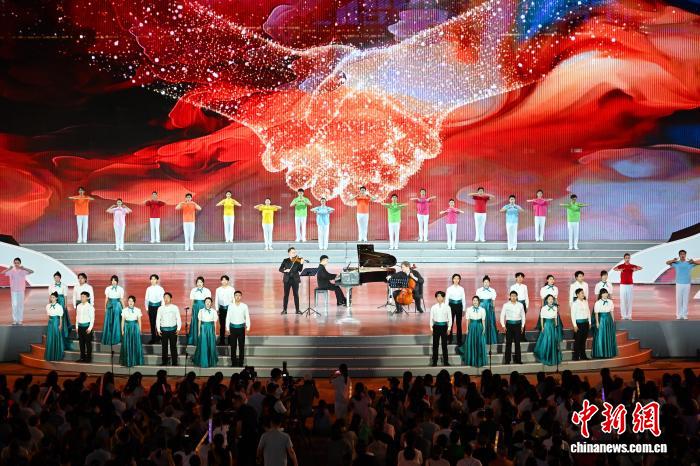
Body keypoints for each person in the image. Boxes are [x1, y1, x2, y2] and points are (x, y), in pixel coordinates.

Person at [666, 250, 698, 320]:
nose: (682, 255)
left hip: (687, 283)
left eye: (684, 254)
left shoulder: (689, 263)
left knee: (685, 299)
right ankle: (678, 315)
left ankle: (684, 314)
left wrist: (693, 262)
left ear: (685, 255)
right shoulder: (676, 263)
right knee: (679, 299)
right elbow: (667, 262)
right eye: (681, 254)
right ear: (679, 255)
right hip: (679, 284)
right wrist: (673, 260)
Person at [458, 296, 487, 367]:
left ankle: (479, 360)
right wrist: (467, 329)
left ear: (478, 301)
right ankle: (472, 360)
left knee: (479, 343)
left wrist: (484, 328)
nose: (475, 302)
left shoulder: (482, 310)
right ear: (472, 301)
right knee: (471, 342)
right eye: (474, 300)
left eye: (476, 300)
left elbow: (483, 320)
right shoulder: (469, 309)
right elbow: (467, 320)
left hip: (479, 326)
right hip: (472, 327)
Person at [533, 295, 562, 366]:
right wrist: (542, 327)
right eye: (549, 299)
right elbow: (542, 318)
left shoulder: (555, 307)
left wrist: (556, 325)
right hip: (547, 325)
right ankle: (545, 356)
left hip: (553, 325)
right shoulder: (544, 308)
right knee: (548, 340)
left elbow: (555, 317)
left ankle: (553, 357)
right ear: (546, 300)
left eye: (552, 299)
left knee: (553, 340)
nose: (551, 300)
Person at [613, 253, 643, 320]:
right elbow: (614, 268)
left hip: (630, 285)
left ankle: (629, 315)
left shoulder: (632, 266)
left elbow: (640, 268)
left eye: (628, 258)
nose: (627, 259)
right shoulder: (621, 265)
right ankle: (623, 316)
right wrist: (619, 270)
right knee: (623, 300)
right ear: (624, 258)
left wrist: (636, 269)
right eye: (626, 258)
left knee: (629, 300)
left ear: (630, 258)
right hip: (622, 285)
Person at [4, 258, 33, 325]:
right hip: (13, 290)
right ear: (14, 263)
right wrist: (8, 269)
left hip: (21, 290)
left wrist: (24, 268)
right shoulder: (11, 271)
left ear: (20, 263)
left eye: (18, 263)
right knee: (14, 305)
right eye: (15, 263)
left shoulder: (23, 271)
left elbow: (32, 271)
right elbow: (2, 273)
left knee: (20, 305)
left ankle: (20, 320)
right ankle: (15, 320)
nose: (16, 264)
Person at [499, 291, 525, 364]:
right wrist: (503, 325)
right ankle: (507, 360)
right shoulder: (506, 305)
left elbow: (523, 315)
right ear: (510, 297)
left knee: (517, 343)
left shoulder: (520, 305)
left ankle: (518, 360)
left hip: (518, 325)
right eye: (512, 296)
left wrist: (522, 326)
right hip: (509, 325)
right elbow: (502, 315)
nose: (513, 297)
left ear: (517, 297)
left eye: (514, 296)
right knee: (508, 343)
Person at [156, 292, 181, 366]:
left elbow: (178, 318)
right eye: (165, 297)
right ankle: (164, 362)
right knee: (164, 347)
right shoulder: (160, 308)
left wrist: (178, 328)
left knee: (173, 347)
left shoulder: (175, 307)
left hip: (173, 330)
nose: (166, 299)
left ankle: (174, 362)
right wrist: (158, 329)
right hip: (163, 330)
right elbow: (158, 319)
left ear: (171, 298)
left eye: (167, 297)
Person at [225, 291, 250, 367]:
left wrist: (248, 327)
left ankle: (241, 362)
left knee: (241, 346)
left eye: (239, 295)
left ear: (241, 297)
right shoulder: (230, 306)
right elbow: (228, 317)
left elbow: (247, 316)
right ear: (234, 296)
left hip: (241, 328)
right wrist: (227, 328)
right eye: (236, 295)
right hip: (232, 328)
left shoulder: (244, 306)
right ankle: (234, 362)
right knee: (233, 346)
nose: (238, 297)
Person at [193, 297, 219, 368]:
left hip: (210, 328)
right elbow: (199, 322)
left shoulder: (214, 311)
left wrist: (215, 332)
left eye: (209, 302)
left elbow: (215, 323)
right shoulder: (201, 311)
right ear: (204, 303)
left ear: (211, 303)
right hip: (203, 328)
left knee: (211, 344)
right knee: (203, 344)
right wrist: (199, 331)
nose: (208, 303)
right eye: (206, 302)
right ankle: (203, 362)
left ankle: (211, 361)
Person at [592, 289, 618, 358]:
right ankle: (601, 353)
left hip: (608, 319)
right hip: (601, 319)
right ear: (601, 294)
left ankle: (609, 353)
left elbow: (611, 312)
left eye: (606, 293)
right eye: (603, 293)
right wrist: (597, 322)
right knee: (601, 335)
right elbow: (596, 313)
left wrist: (612, 320)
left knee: (609, 335)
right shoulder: (597, 303)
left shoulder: (610, 301)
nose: (605, 295)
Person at [120, 295, 144, 367]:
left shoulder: (138, 310)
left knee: (135, 343)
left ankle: (135, 360)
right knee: (126, 344)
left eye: (132, 301)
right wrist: (122, 330)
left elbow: (139, 321)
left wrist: (139, 330)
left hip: (135, 328)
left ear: (134, 302)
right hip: (127, 328)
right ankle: (127, 361)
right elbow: (122, 321)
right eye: (129, 301)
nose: (130, 302)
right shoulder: (124, 310)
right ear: (127, 302)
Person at [48, 271, 71, 345]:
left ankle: (63, 330)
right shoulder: (51, 286)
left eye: (57, 277)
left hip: (61, 300)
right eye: (55, 277)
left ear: (60, 278)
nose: (56, 279)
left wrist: (65, 305)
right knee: (55, 315)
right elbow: (50, 296)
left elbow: (65, 296)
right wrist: (50, 303)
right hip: (54, 300)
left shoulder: (64, 285)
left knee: (61, 316)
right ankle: (55, 329)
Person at [429, 291, 451, 367]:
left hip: (444, 327)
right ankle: (434, 361)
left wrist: (449, 328)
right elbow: (431, 318)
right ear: (436, 298)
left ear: (443, 298)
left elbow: (450, 318)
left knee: (444, 345)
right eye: (438, 296)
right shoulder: (433, 307)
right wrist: (431, 328)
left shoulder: (447, 307)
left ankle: (446, 361)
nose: (439, 298)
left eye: (441, 296)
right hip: (436, 327)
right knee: (435, 345)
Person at [279, 247, 304, 315]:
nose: (294, 254)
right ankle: (284, 310)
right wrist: (285, 270)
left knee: (296, 295)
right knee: (286, 295)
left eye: (295, 252)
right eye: (293, 252)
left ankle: (297, 310)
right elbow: (280, 269)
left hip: (295, 279)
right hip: (287, 280)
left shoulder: (297, 260)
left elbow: (300, 270)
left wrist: (301, 263)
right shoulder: (285, 260)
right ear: (289, 253)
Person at [188, 276, 211, 346]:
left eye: (201, 282)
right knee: (195, 322)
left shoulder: (207, 290)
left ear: (203, 283)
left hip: (204, 307)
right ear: (196, 283)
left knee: (203, 322)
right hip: (195, 308)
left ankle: (204, 340)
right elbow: (192, 301)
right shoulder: (193, 290)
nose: (199, 283)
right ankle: (195, 340)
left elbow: (208, 301)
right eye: (198, 282)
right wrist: (191, 310)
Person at [102, 275, 124, 346]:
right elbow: (106, 299)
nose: (113, 282)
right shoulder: (108, 288)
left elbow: (121, 299)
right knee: (109, 322)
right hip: (110, 305)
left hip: (117, 306)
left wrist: (124, 308)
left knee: (117, 322)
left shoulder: (120, 289)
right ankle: (109, 338)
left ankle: (117, 338)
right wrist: (105, 307)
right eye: (112, 280)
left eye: (115, 280)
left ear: (117, 281)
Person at [476, 276, 498, 345]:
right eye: (485, 282)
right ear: (483, 283)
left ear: (489, 283)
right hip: (481, 307)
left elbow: (493, 301)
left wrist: (493, 310)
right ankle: (481, 340)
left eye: (487, 282)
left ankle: (490, 340)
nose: (486, 283)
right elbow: (477, 301)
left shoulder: (492, 290)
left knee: (490, 323)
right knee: (481, 322)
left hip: (489, 308)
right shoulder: (479, 290)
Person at [570, 288, 591, 361]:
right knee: (578, 341)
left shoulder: (585, 302)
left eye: (583, 293)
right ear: (577, 295)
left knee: (583, 341)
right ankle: (576, 357)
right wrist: (574, 325)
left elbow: (588, 312)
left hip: (586, 323)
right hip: (579, 324)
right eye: (581, 293)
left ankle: (583, 356)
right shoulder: (575, 303)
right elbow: (573, 315)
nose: (583, 294)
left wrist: (589, 322)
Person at [214, 275, 235, 344]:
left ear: (228, 281)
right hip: (221, 309)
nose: (224, 281)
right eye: (222, 280)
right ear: (221, 281)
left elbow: (233, 299)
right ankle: (222, 341)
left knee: (230, 325)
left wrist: (233, 309)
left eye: (225, 280)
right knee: (222, 325)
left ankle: (230, 340)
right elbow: (216, 300)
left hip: (229, 309)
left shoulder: (231, 289)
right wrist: (217, 309)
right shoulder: (218, 289)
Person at [145, 274, 165, 344]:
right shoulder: (148, 289)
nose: (152, 280)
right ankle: (153, 338)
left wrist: (162, 307)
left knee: (159, 322)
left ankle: (160, 337)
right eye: (151, 279)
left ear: (157, 280)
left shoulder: (160, 289)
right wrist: (147, 308)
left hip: (159, 307)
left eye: (154, 279)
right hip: (151, 307)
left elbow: (163, 299)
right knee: (152, 323)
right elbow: (146, 299)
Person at [75, 291, 95, 363]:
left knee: (88, 344)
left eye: (83, 297)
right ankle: (82, 358)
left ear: (87, 298)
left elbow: (92, 318)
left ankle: (88, 358)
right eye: (81, 296)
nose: (81, 298)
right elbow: (77, 316)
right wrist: (76, 326)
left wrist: (90, 328)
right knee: (81, 344)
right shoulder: (78, 306)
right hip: (80, 327)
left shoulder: (90, 307)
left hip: (87, 327)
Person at [446, 273, 466, 345]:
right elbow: (447, 299)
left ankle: (459, 340)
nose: (456, 280)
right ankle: (449, 339)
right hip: (451, 306)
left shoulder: (462, 289)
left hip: (459, 306)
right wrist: (446, 309)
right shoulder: (449, 289)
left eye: (458, 279)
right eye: (455, 278)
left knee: (459, 324)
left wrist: (464, 309)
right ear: (452, 279)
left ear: (459, 280)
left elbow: (463, 299)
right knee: (450, 323)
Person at [45, 292, 64, 362]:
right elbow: (48, 316)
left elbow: (61, 317)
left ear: (56, 298)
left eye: (53, 297)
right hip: (50, 322)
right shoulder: (48, 306)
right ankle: (50, 355)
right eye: (51, 297)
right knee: (50, 337)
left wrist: (60, 325)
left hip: (56, 322)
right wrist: (49, 322)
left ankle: (56, 355)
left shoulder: (59, 306)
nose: (52, 299)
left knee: (56, 336)